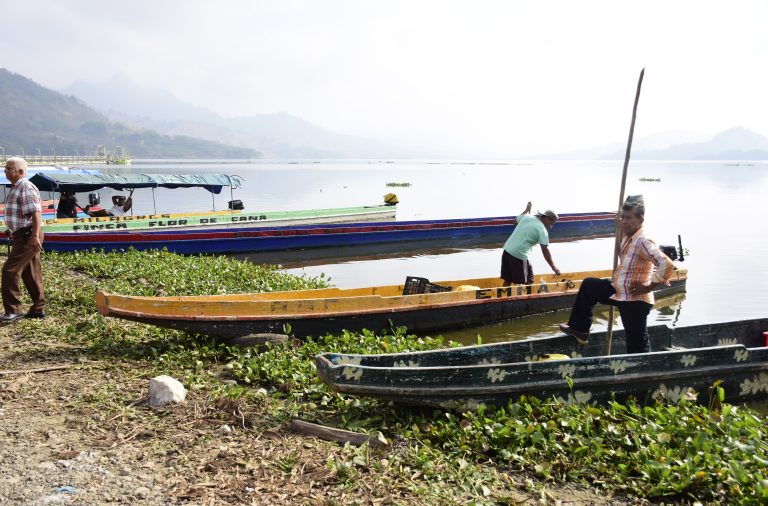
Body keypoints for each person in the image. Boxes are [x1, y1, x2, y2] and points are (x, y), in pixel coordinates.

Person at [558, 195, 674, 353]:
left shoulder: (643, 241)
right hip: (619, 292)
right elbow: (621, 231)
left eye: (629, 218)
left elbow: (666, 263)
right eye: (623, 217)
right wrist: (620, 222)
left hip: (635, 299)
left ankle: (642, 370)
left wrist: (649, 287)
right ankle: (580, 330)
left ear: (641, 220)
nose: (625, 221)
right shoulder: (628, 236)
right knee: (589, 286)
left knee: (636, 342)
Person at [1, 157, 45, 321]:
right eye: (5, 169)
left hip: (28, 235)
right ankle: (38, 309)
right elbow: (22, 213)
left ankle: (13, 310)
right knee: (31, 273)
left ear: (20, 171)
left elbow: (36, 212)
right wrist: (11, 229)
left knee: (10, 270)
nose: (6, 171)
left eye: (9, 169)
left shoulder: (25, 186)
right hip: (24, 233)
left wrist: (34, 235)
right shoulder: (17, 187)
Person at [500, 201, 560, 287]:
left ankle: (503, 299)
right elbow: (545, 250)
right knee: (527, 281)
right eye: (551, 223)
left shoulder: (527, 216)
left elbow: (515, 221)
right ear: (546, 219)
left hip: (507, 250)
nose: (551, 227)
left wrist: (526, 210)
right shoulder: (542, 230)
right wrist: (554, 267)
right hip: (519, 254)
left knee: (508, 279)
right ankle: (522, 300)